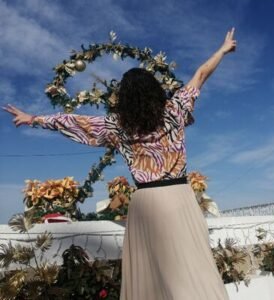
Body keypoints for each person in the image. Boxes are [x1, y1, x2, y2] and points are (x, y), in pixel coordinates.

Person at [3, 28, 237, 300]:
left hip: (145, 203)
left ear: (124, 97)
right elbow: (201, 74)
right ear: (155, 91)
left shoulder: (118, 125)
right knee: (193, 268)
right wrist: (222, 49)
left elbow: (76, 122)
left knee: (150, 278)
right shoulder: (175, 111)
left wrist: (33, 119)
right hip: (180, 197)